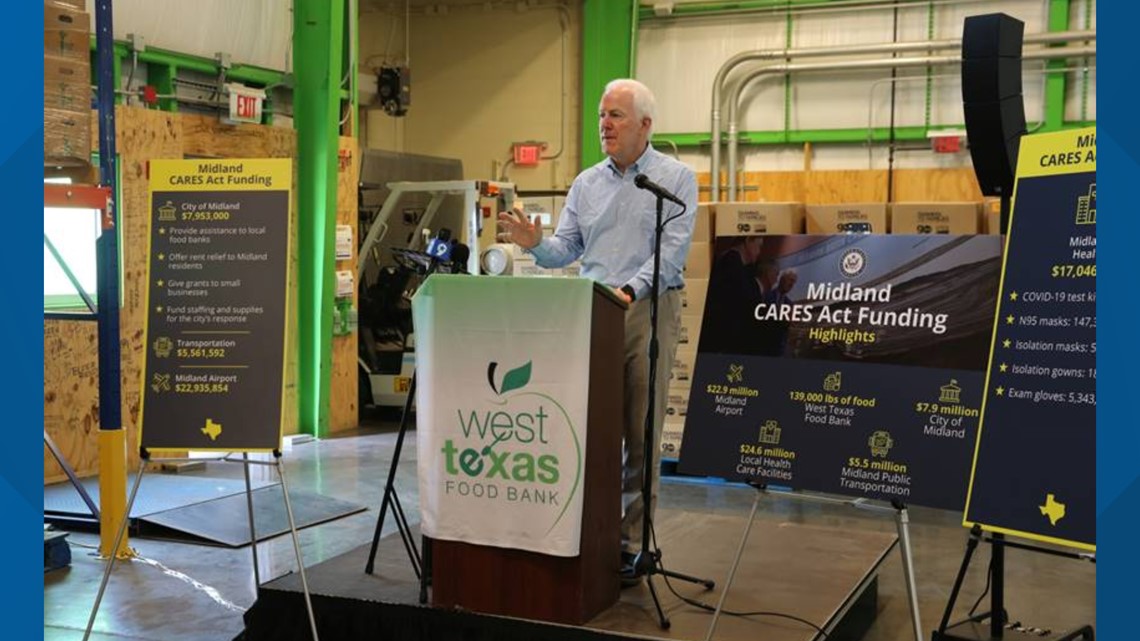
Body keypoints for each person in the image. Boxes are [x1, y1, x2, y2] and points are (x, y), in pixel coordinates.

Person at [496, 78, 697, 586]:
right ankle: (593, 535)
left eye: (616, 116)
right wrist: (536, 245)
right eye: (602, 115)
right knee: (592, 431)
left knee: (639, 427)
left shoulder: (675, 180)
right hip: (593, 312)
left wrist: (630, 289)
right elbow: (568, 248)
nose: (604, 124)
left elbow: (671, 253)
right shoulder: (586, 183)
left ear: (646, 125)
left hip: (647, 308)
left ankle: (633, 544)